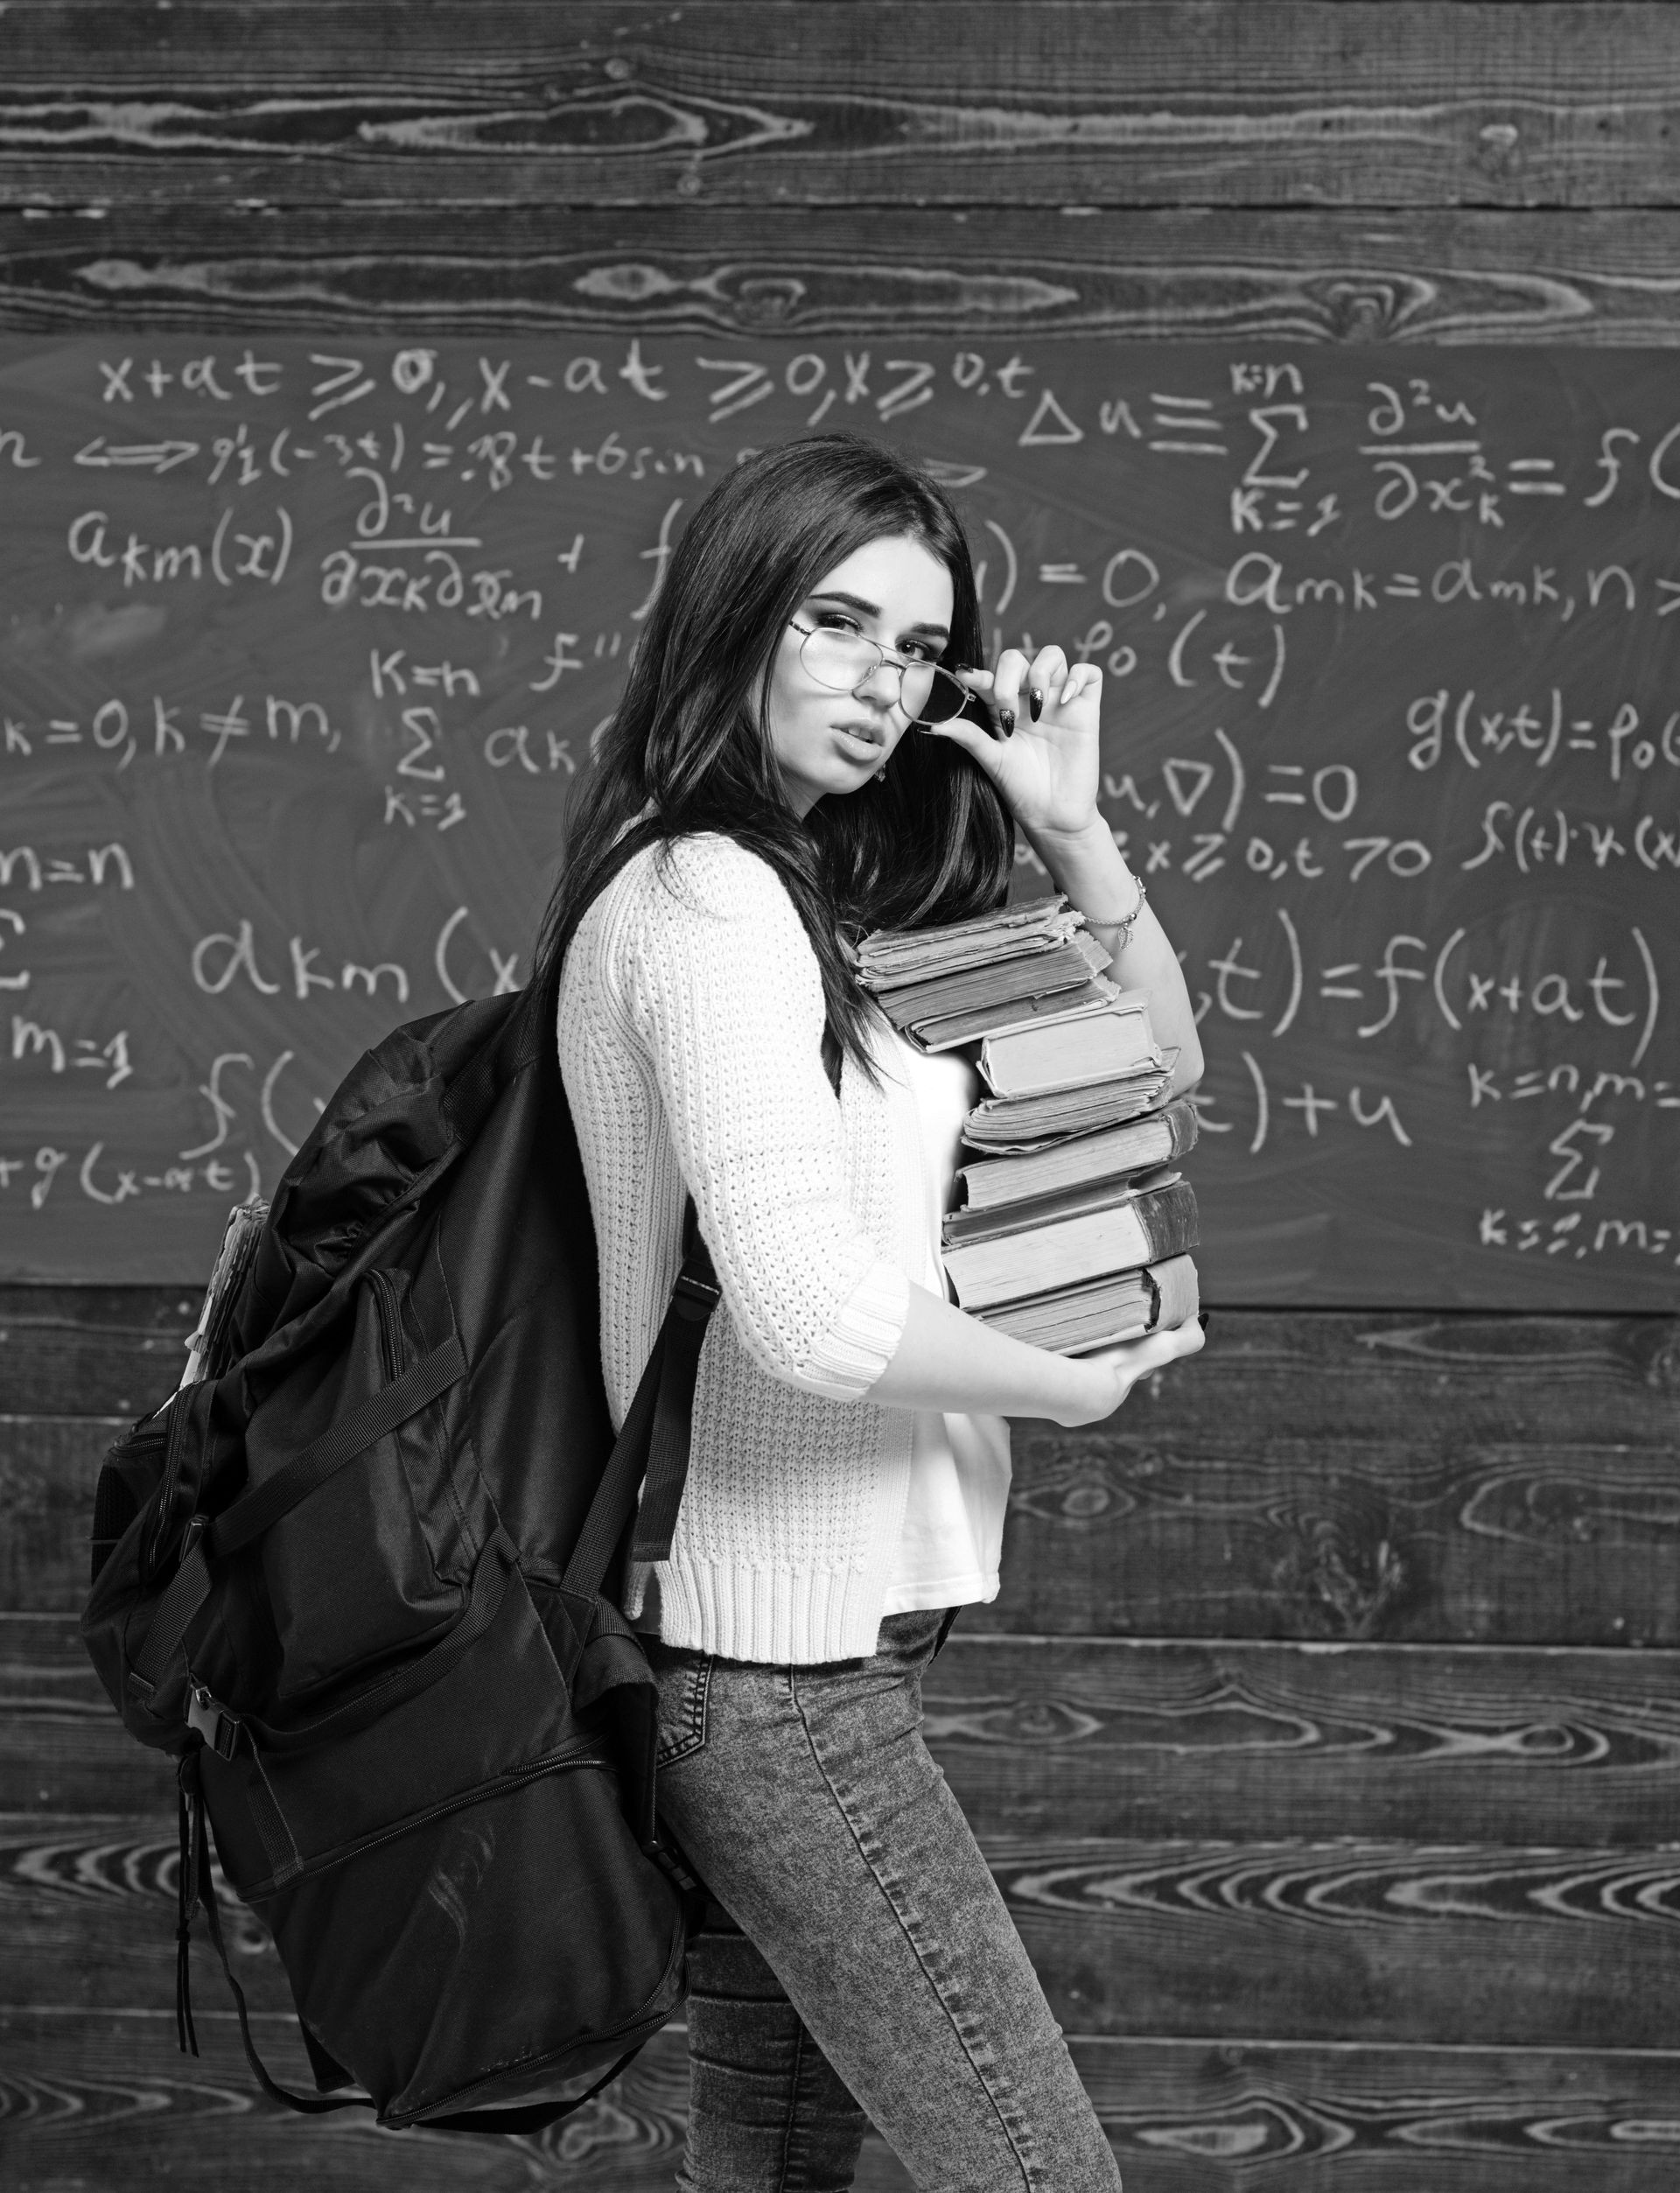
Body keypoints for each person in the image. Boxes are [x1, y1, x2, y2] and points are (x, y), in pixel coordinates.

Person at [535, 433, 1204, 2192]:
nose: (881, 678)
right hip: (768, 1676)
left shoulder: (832, 898)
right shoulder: (708, 900)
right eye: (835, 622)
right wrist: (1075, 1384)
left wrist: (1069, 824)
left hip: (832, 1653)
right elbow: (811, 1313)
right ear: (737, 616)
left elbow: (1152, 1079)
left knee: (770, 2170)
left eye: (915, 646)